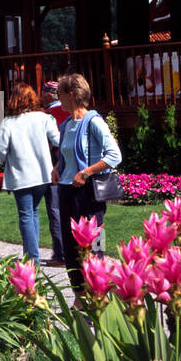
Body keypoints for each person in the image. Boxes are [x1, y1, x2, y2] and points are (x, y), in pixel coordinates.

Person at [52, 72, 122, 293]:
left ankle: (97, 293)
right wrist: (57, 168)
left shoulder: (94, 122)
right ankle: (80, 296)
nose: (58, 98)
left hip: (89, 195)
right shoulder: (65, 126)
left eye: (60, 94)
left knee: (95, 246)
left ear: (71, 94)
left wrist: (86, 172)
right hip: (66, 193)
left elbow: (114, 156)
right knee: (71, 247)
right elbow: (66, 155)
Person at [0, 82, 60, 264]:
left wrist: (6, 160)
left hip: (20, 175)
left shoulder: (9, 122)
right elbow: (58, 140)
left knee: (26, 215)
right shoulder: (44, 118)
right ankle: (33, 255)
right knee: (33, 213)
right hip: (42, 174)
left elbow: (1, 149)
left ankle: (32, 258)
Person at [40, 81, 69, 266]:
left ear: (50, 94)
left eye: (43, 92)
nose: (41, 96)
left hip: (55, 167)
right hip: (75, 167)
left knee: (56, 210)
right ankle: (91, 251)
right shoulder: (72, 112)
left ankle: (61, 254)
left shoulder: (49, 115)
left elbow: (49, 143)